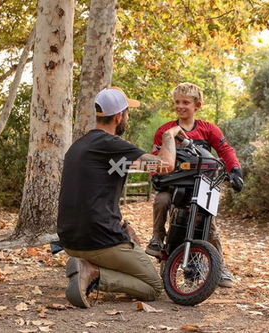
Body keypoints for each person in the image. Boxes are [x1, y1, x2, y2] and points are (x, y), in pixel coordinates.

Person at [56, 87, 186, 308]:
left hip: (70, 239)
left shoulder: (80, 146)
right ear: (118, 116)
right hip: (98, 240)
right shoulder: (111, 145)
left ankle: (87, 265)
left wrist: (122, 223)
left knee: (131, 248)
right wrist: (168, 135)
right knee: (154, 287)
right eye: (127, 113)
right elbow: (166, 165)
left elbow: (98, 189)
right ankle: (94, 272)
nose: (127, 117)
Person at [145, 82, 244, 288]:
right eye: (177, 102)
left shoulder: (208, 129)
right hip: (175, 183)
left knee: (211, 226)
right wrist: (155, 173)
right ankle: (157, 238)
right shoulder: (165, 130)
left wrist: (235, 170)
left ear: (196, 105)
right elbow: (156, 156)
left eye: (186, 102)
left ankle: (219, 267)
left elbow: (225, 150)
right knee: (161, 200)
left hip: (202, 185)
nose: (180, 106)